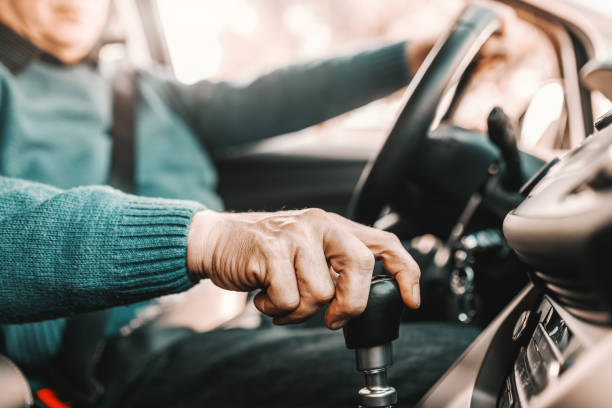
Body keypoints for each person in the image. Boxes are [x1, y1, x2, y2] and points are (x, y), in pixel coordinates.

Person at [0, 1, 480, 406]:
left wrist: (411, 56)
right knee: (466, 365)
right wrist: (208, 240)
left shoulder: (139, 87)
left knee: (453, 293)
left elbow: (271, 97)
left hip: (241, 308)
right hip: (127, 354)